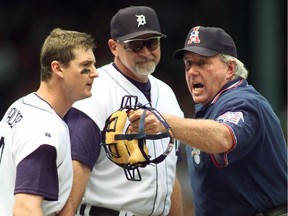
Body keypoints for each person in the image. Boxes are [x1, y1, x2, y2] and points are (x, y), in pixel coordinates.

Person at [128, 26, 288, 216]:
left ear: (230, 68)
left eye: (202, 63)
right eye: (188, 64)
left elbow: (223, 138)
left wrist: (165, 121)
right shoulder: (210, 109)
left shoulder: (243, 101)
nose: (192, 71)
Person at [60, 5, 184, 216]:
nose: (146, 52)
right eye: (135, 45)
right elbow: (76, 167)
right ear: (114, 47)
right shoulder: (95, 91)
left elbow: (169, 173)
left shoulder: (167, 94)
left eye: (152, 43)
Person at [0, 28, 98, 216]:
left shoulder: (21, 106)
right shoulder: (45, 128)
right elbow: (25, 209)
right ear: (58, 68)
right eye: (86, 65)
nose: (95, 73)